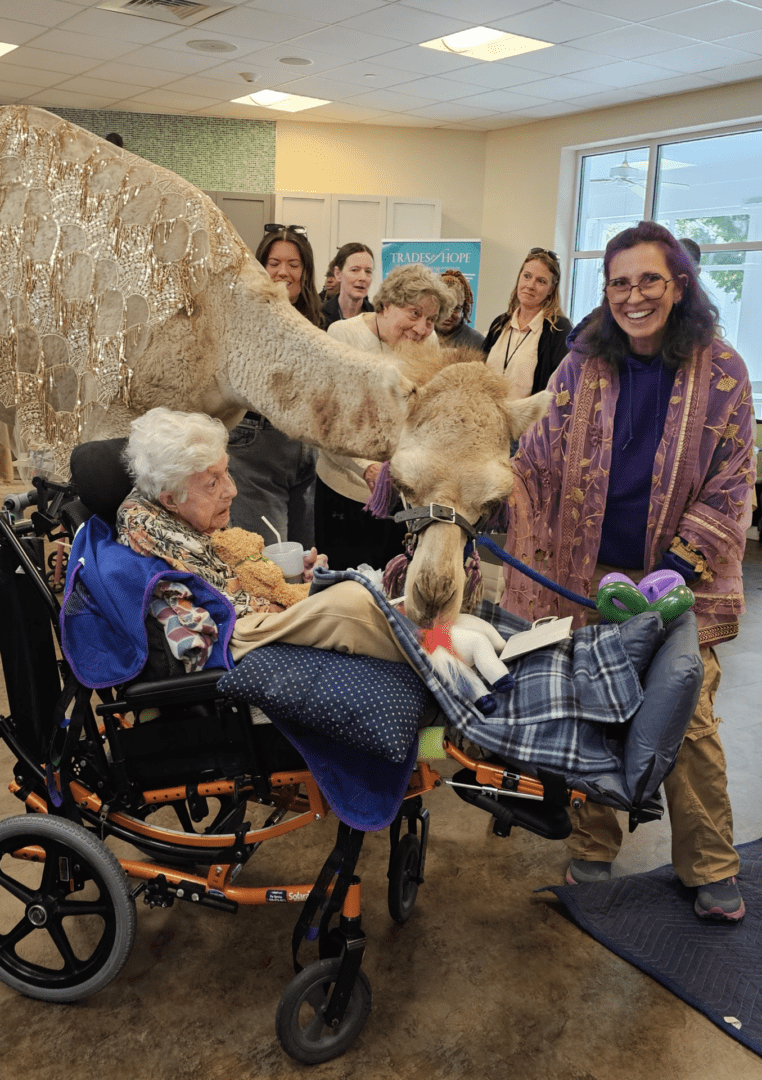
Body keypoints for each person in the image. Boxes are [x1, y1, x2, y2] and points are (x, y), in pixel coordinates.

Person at [499, 220, 755, 921]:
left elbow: (733, 482)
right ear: (605, 291)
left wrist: (676, 566)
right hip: (595, 569)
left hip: (684, 579)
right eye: (619, 282)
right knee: (598, 706)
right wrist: (483, 491)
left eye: (648, 279)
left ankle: (707, 864)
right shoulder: (585, 360)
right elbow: (541, 455)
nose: (634, 294)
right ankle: (595, 841)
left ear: (678, 285)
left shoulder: (723, 368)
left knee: (687, 717)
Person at [112, 406, 417, 674]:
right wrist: (299, 596)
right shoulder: (150, 529)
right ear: (170, 500)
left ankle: (436, 645)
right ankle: (437, 652)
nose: (231, 490)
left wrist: (293, 581)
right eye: (212, 483)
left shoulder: (181, 512)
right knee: (354, 602)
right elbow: (224, 605)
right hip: (241, 639)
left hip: (256, 624)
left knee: (365, 594)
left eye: (226, 472)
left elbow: (232, 576)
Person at [315, 264, 453, 571]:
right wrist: (367, 468)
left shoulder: (427, 343)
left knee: (392, 582)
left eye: (431, 320)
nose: (421, 328)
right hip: (347, 488)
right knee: (347, 586)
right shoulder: (343, 335)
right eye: (414, 313)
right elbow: (329, 418)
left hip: (401, 492)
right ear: (387, 304)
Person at [226, 225, 322, 548]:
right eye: (274, 263)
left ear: (305, 273)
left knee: (302, 559)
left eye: (294, 264)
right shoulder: (243, 318)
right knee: (267, 559)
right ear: (260, 268)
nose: (284, 271)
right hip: (256, 447)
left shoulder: (314, 322)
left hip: (303, 452)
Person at [482, 247, 572, 399]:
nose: (530, 285)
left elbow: (560, 389)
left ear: (551, 289)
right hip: (487, 418)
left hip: (528, 421)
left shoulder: (559, 329)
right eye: (527, 276)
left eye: (541, 281)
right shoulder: (500, 323)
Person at [321, 243, 374, 328]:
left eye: (368, 271)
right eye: (354, 270)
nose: (363, 278)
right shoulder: (320, 317)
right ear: (338, 274)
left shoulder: (377, 317)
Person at [435, 269, 484, 350]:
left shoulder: (478, 344)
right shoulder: (419, 336)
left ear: (464, 308)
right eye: (443, 307)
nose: (448, 314)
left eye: (456, 308)